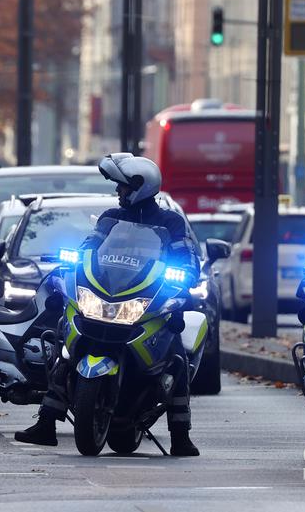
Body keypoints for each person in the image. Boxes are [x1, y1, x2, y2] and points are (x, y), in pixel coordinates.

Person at [15, 153, 203, 456]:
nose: (119, 192)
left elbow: (188, 257)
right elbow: (91, 246)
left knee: (176, 358)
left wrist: (186, 274)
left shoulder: (170, 221)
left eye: (123, 187)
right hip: (107, 295)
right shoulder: (110, 218)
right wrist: (73, 267)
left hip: (150, 299)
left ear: (141, 187)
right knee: (66, 352)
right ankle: (46, 423)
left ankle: (181, 435)